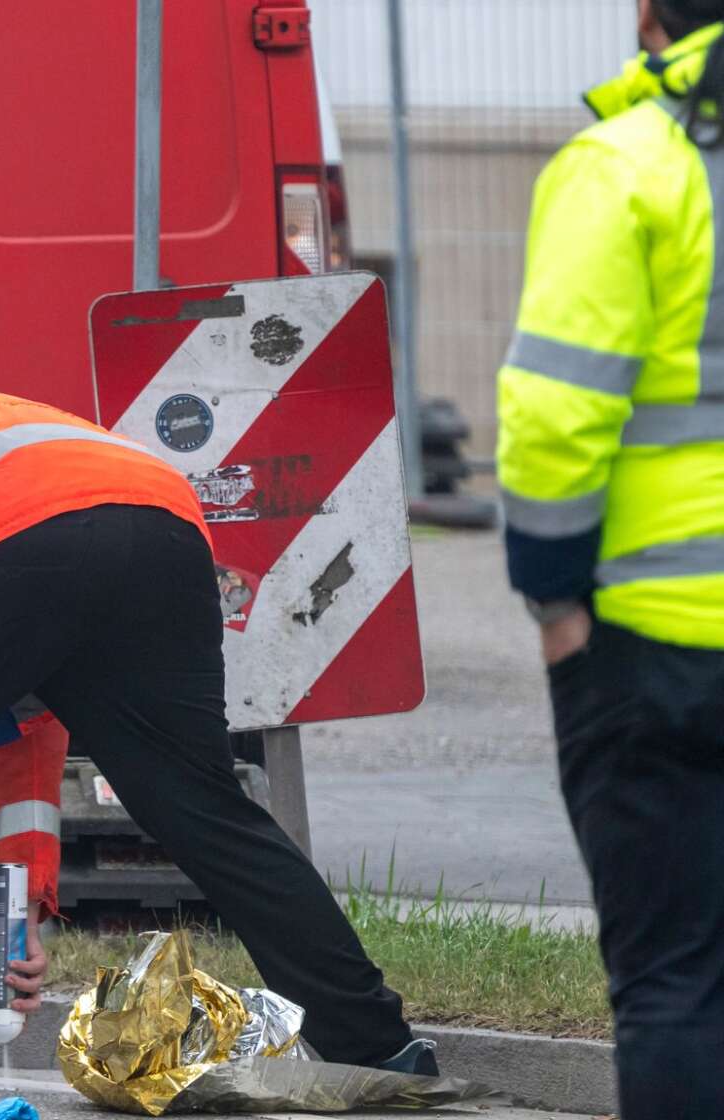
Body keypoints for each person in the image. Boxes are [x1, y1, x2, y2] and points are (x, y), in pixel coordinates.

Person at [0, 388, 432, 1091]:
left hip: (13, 523)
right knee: (202, 805)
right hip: (163, 526)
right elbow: (30, 729)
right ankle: (375, 1045)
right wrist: (20, 918)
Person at [498, 2, 724, 1114]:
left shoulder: (629, 166)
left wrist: (551, 596)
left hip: (656, 649)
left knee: (676, 983)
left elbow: (553, 411)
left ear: (648, 15)